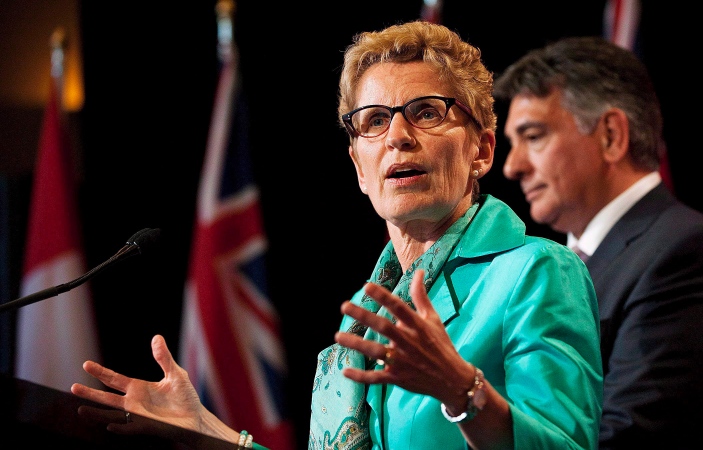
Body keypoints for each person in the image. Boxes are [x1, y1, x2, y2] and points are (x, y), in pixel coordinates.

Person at [70, 21, 604, 450]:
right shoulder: (350, 341)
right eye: (373, 121)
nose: (397, 136)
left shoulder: (535, 272)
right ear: (358, 167)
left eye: (426, 113)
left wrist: (462, 393)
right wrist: (210, 433)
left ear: (481, 151)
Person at [493, 36, 703, 449]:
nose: (512, 166)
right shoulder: (536, 271)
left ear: (611, 136)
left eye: (533, 136)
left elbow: (630, 438)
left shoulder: (690, 256)